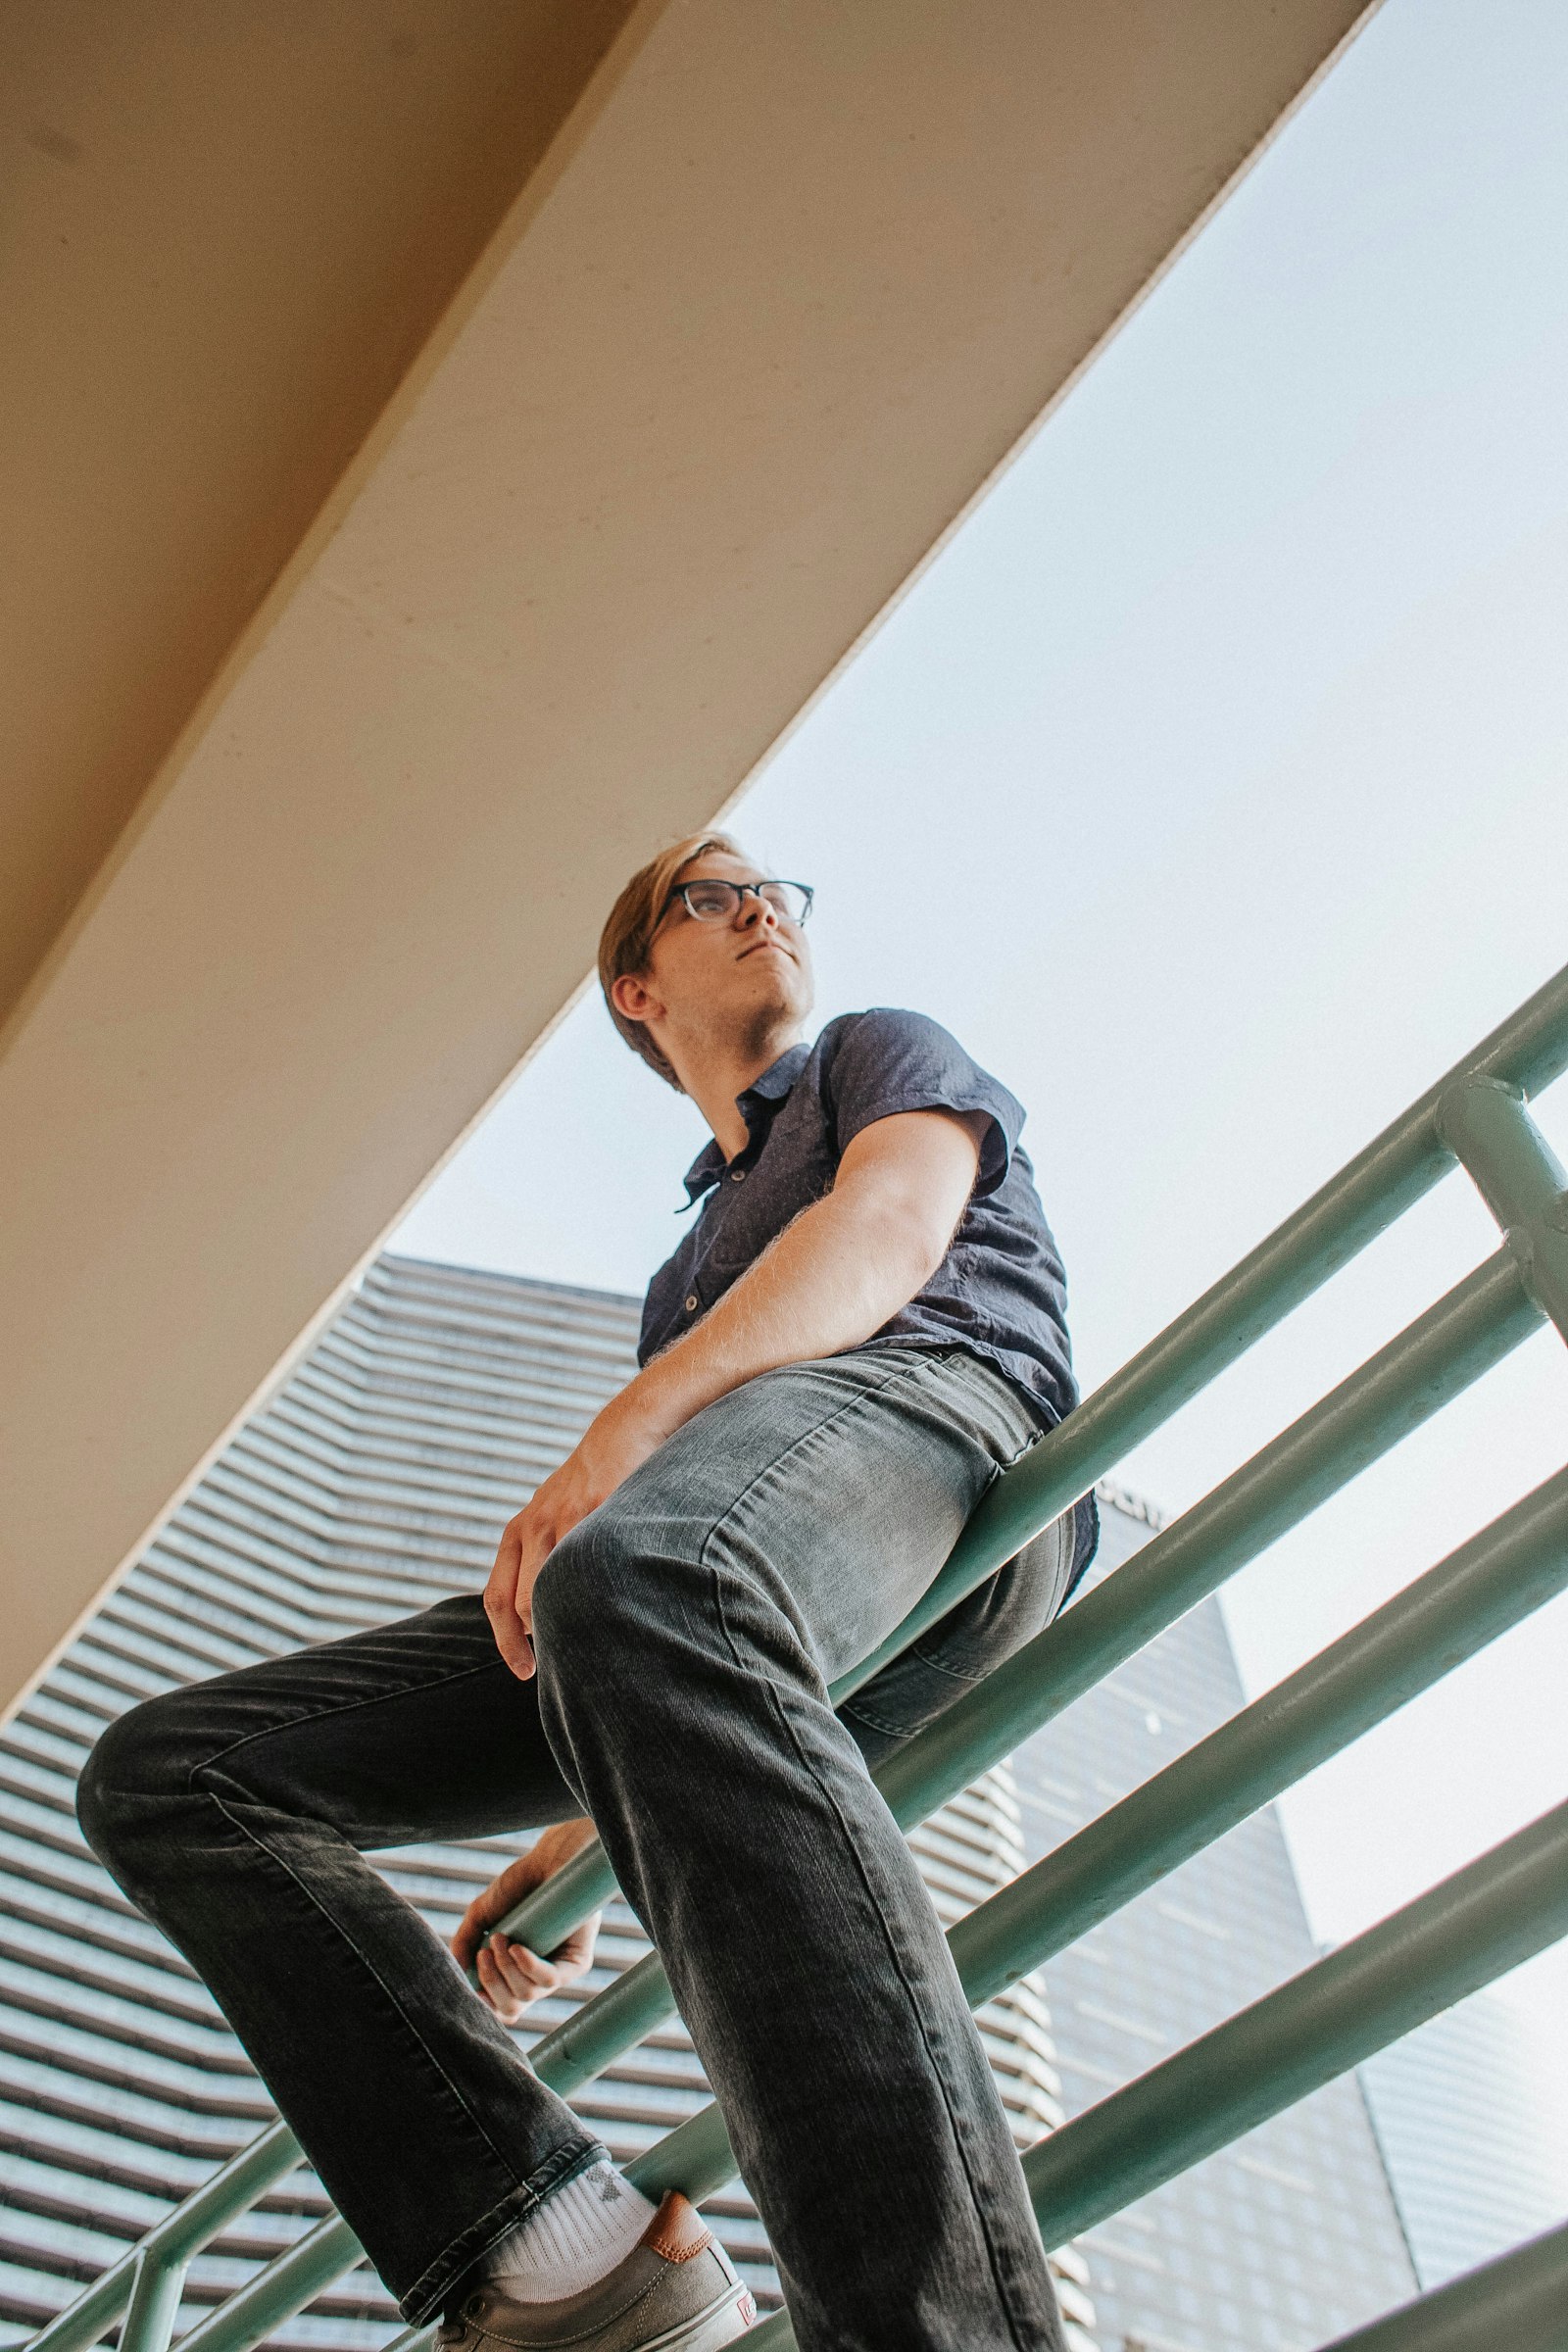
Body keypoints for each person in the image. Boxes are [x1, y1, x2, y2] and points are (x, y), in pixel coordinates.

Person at [78, 832, 1097, 2352]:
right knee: (170, 1781)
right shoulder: (686, 1280)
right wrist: (575, 1859)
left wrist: (622, 1434)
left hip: (952, 1445)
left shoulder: (877, 1056)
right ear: (637, 988)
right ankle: (562, 2253)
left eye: (774, 889)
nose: (761, 906)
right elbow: (671, 1591)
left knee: (635, 1569)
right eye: (712, 895)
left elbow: (887, 1232)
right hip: (728, 1574)